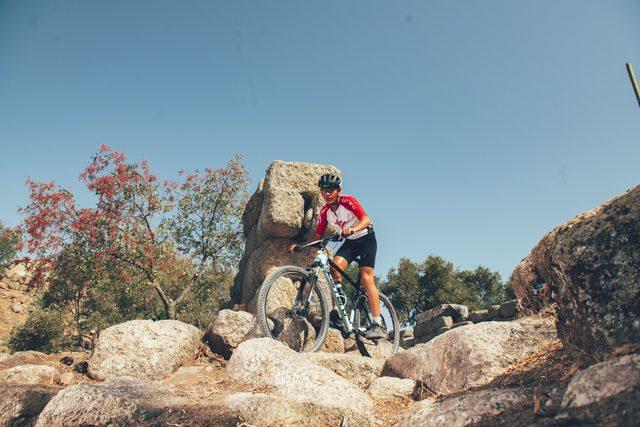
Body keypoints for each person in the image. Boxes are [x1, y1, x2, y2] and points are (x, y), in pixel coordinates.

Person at [289, 173, 386, 340]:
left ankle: (378, 324)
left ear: (338, 190)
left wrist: (353, 229)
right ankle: (338, 311)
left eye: (331, 190)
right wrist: (302, 247)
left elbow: (366, 219)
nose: (327, 194)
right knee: (335, 266)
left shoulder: (348, 201)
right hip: (350, 242)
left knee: (365, 277)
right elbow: (318, 236)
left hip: (366, 239)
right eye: (323, 190)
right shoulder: (325, 212)